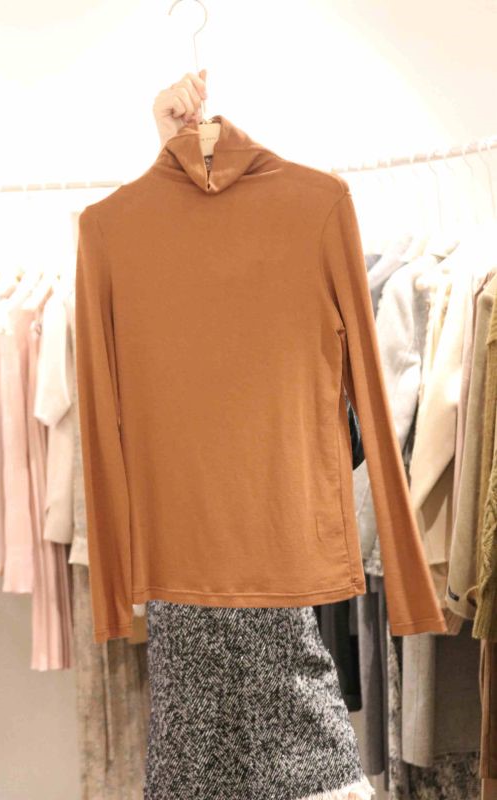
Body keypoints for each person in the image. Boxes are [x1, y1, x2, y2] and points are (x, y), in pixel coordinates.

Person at [143, 71, 374, 800]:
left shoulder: (303, 232)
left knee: (296, 727)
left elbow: (342, 432)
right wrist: (172, 150)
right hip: (193, 573)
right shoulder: (165, 272)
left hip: (268, 557)